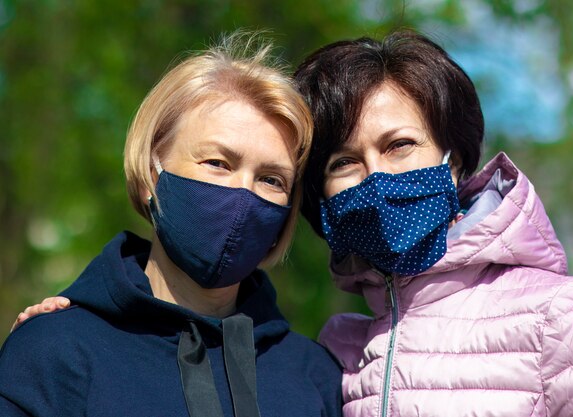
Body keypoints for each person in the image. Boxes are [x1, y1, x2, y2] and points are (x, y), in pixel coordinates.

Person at [14, 30, 573, 416]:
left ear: (452, 159)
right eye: (344, 161)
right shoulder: (342, 355)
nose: (376, 177)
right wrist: (84, 318)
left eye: (400, 145)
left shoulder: (564, 319)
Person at [0, 32, 342, 417]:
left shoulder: (316, 376)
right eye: (218, 163)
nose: (243, 194)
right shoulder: (56, 353)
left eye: (271, 179)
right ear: (151, 173)